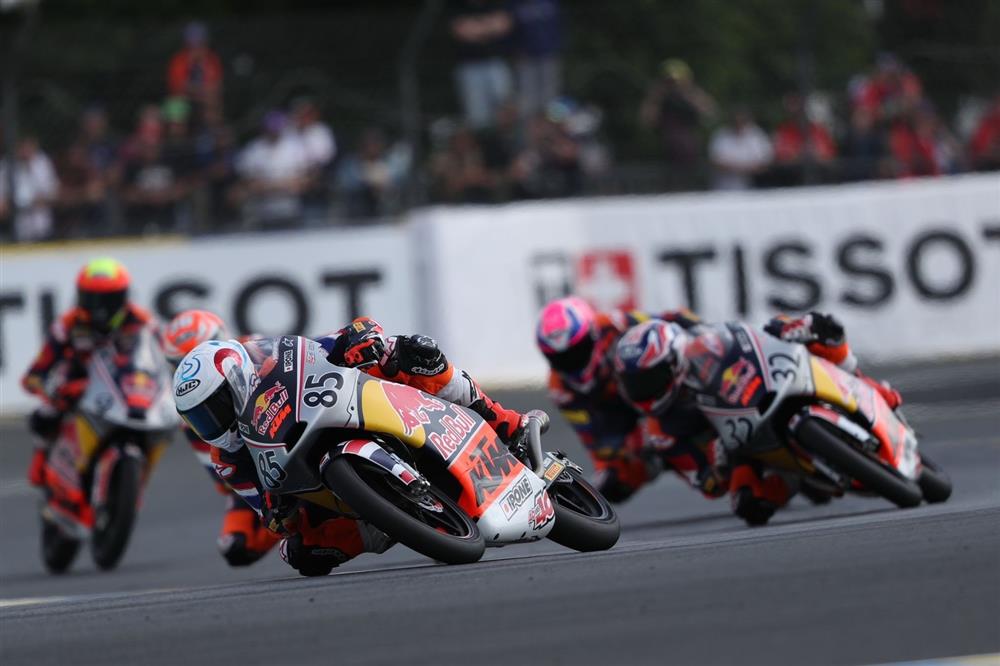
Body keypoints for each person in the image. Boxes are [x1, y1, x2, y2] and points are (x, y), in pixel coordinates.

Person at [171, 317, 528, 576]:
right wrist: (279, 511)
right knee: (300, 553)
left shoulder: (269, 359)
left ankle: (504, 421)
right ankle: (393, 520)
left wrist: (361, 338)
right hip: (324, 485)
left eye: (216, 408)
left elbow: (336, 339)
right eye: (200, 418)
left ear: (237, 381)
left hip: (343, 403)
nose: (212, 424)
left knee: (409, 351)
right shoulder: (227, 459)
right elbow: (268, 515)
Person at [611, 312, 902, 524]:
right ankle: (795, 476)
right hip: (741, 447)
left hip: (758, 386)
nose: (643, 390)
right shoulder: (661, 429)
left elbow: (745, 336)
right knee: (749, 504)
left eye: (650, 378)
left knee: (817, 327)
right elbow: (704, 482)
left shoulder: (703, 345)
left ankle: (872, 388)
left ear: (674, 360)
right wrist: (717, 467)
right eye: (634, 383)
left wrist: (788, 329)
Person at [21, 258, 159, 527]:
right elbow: (42, 365)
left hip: (124, 387)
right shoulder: (69, 323)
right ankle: (43, 463)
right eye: (92, 299)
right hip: (79, 383)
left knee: (157, 425)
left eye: (108, 300)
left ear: (123, 298)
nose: (99, 309)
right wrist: (43, 383)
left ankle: (130, 485)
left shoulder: (143, 322)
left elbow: (160, 356)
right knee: (44, 416)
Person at [535, 297, 710, 503]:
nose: (571, 361)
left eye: (578, 350)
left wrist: (704, 334)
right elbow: (593, 440)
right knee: (612, 484)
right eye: (560, 358)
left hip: (657, 390)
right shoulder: (560, 389)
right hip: (621, 419)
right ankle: (665, 459)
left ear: (593, 333)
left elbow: (672, 319)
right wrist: (618, 459)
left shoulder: (614, 324)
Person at [163, 309, 280, 566]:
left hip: (292, 421)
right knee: (234, 546)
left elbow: (308, 358)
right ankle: (296, 528)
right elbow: (225, 481)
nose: (195, 367)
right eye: (181, 362)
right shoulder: (193, 413)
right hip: (259, 469)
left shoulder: (258, 347)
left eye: (200, 353)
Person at [639, 58, 716, 191]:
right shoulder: (659, 98)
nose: (674, 85)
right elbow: (646, 121)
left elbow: (710, 114)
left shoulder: (693, 95)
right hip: (665, 151)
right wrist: (655, 97)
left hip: (691, 151)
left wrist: (689, 93)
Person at [449, 0, 514, 129]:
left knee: (506, 106)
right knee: (478, 116)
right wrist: (490, 26)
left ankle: (505, 136)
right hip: (469, 66)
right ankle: (484, 138)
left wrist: (476, 26)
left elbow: (504, 24)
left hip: (495, 62)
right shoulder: (458, 5)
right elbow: (462, 30)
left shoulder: (493, 4)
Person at [0, 136, 60, 242]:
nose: (25, 151)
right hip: (17, 229)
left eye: (28, 147)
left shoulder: (42, 163)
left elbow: (54, 192)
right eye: (22, 148)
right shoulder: (7, 165)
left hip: (42, 226)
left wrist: (41, 199)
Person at [708, 108, 773, 191]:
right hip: (724, 188)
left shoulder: (758, 136)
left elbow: (766, 163)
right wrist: (745, 168)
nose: (739, 124)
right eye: (736, 121)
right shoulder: (721, 136)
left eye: (742, 121)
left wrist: (739, 168)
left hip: (753, 189)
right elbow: (715, 162)